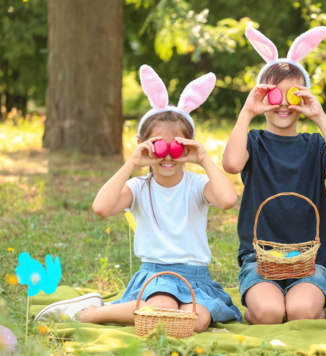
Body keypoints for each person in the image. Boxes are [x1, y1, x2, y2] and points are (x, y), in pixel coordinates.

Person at [35, 66, 242, 332]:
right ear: (143, 144)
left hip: (195, 278)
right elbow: (101, 207)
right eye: (158, 147)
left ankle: (113, 311)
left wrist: (203, 159)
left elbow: (227, 200)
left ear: (189, 145)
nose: (167, 156)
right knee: (164, 310)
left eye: (177, 146)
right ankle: (90, 313)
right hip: (155, 276)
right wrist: (132, 162)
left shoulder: (197, 184)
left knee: (197, 321)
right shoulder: (139, 187)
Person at [222, 26, 326, 325]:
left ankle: (312, 307)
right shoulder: (253, 141)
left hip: (310, 260)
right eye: (274, 94)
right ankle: (264, 310)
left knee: (301, 311)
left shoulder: (316, 145)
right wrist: (247, 111)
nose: (283, 103)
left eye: (293, 94)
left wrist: (319, 116)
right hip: (260, 259)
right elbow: (231, 164)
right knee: (270, 313)